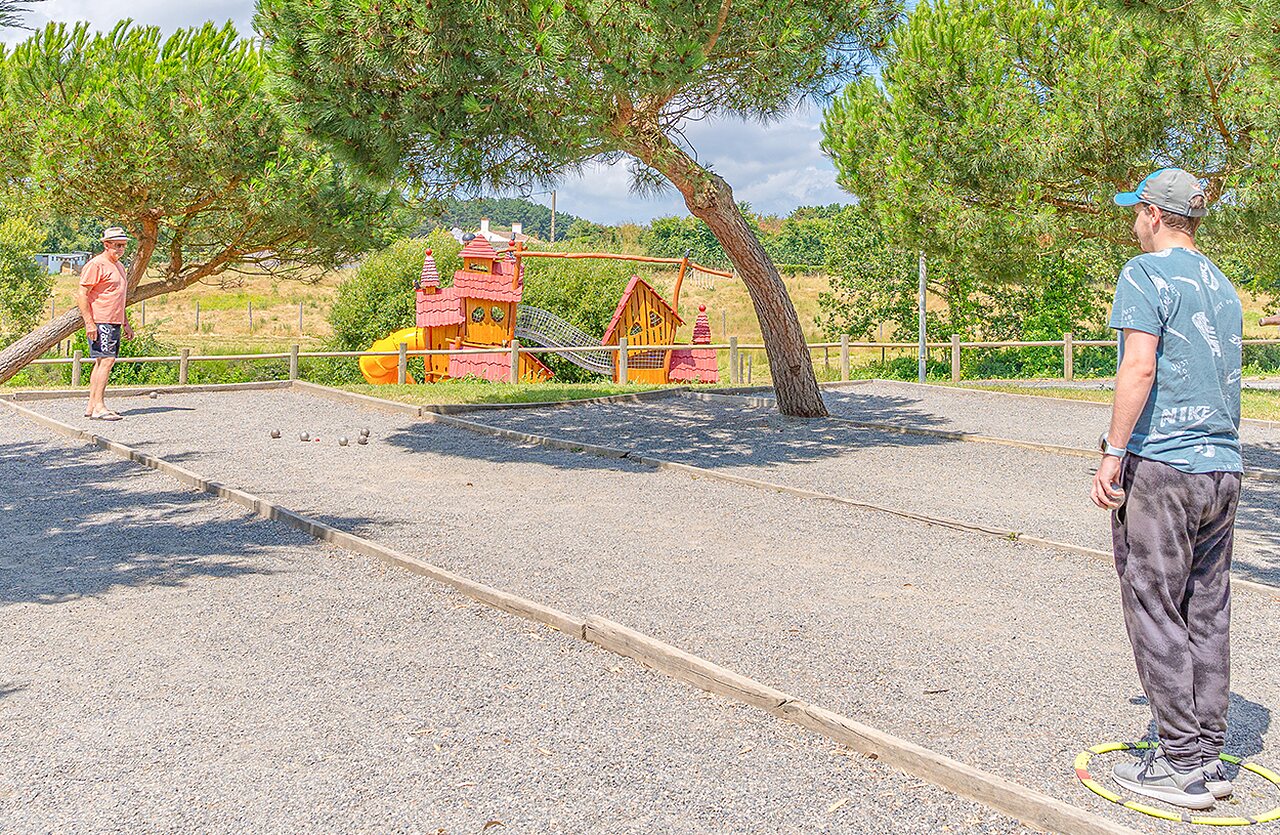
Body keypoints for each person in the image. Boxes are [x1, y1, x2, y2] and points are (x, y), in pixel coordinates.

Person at [1091, 168, 1243, 810]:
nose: (1133, 222)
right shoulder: (1223, 285)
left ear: (1154, 214)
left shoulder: (1144, 274)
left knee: (1153, 604)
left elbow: (1139, 366)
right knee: (1207, 608)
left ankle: (1178, 764)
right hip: (1223, 468)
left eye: (1137, 210)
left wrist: (1113, 452)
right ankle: (1207, 753)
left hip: (1164, 466)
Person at [76, 227, 134, 420]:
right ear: (106, 244)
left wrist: (125, 322)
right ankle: (99, 407)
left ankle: (92, 405)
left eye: (123, 245)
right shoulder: (96, 265)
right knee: (107, 360)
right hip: (101, 319)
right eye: (117, 245)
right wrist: (89, 322)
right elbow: (82, 294)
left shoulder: (119, 266)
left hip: (114, 319)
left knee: (102, 361)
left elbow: (119, 297)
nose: (121, 249)